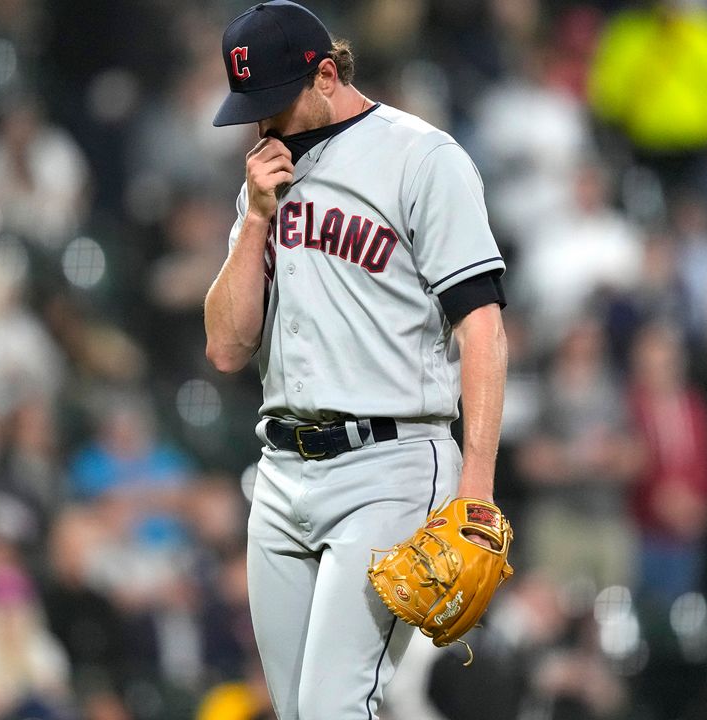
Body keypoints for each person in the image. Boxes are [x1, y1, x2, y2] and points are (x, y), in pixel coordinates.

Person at [203, 2, 509, 717]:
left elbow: (484, 330)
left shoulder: (421, 158)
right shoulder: (262, 184)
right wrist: (254, 220)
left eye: (275, 103)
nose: (262, 122)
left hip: (390, 464)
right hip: (280, 473)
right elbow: (224, 346)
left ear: (328, 75)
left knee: (335, 709)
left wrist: (477, 486)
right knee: (297, 710)